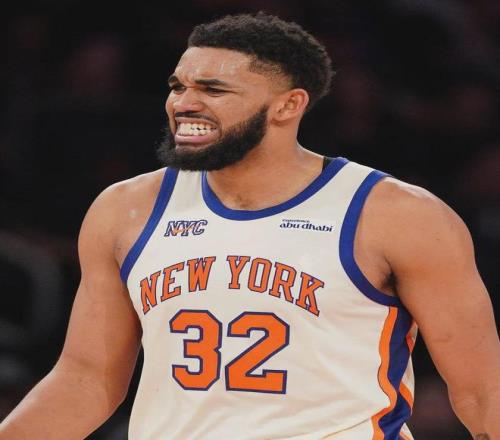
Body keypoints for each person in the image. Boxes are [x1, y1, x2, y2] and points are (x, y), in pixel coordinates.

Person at [1, 12, 499, 440]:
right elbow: (86, 380)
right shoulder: (126, 208)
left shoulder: (396, 214)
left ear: (288, 105)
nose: (183, 103)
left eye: (213, 89)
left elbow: (482, 391)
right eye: (178, 85)